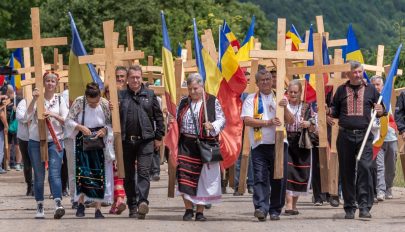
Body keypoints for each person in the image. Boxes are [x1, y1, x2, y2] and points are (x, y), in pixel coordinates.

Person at [327, 61, 384, 219]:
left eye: (360, 72)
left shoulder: (371, 89)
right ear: (348, 74)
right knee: (347, 171)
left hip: (365, 136)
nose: (358, 75)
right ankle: (350, 207)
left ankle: (364, 206)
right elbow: (335, 110)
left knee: (365, 168)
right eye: (355, 72)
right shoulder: (340, 90)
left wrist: (380, 110)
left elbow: (381, 109)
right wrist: (327, 111)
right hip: (345, 136)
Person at [241, 69, 293, 221]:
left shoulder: (280, 97)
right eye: (262, 80)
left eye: (268, 79)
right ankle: (261, 208)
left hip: (279, 143)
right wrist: (268, 122)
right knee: (260, 177)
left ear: (272, 81)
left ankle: (275, 209)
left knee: (279, 178)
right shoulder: (251, 99)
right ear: (256, 83)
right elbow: (247, 121)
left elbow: (290, 120)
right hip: (259, 144)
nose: (265, 82)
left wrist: (283, 107)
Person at [176, 73, 225, 221]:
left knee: (203, 179)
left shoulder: (212, 101)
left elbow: (222, 119)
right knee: (184, 177)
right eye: (190, 89)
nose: (192, 92)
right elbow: (175, 119)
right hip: (185, 144)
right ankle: (188, 210)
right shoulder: (184, 102)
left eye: (195, 88)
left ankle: (200, 211)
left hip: (204, 145)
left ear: (202, 86)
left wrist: (213, 125)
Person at [118, 65, 164, 219]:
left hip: (146, 140)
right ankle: (132, 205)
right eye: (132, 77)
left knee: (144, 172)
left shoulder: (150, 95)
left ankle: (142, 202)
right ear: (127, 79)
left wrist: (158, 137)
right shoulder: (121, 96)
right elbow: (113, 119)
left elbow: (159, 117)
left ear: (141, 78)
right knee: (129, 175)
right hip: (126, 141)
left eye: (138, 77)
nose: (135, 80)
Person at [65, 82, 114, 219]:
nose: (93, 105)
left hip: (99, 140)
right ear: (86, 97)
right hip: (83, 139)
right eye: (91, 103)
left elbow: (111, 122)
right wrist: (80, 127)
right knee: (83, 173)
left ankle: (98, 209)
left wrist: (105, 129)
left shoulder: (104, 103)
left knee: (99, 173)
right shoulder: (79, 102)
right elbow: (68, 120)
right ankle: (81, 204)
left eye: (95, 102)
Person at [25, 72, 69, 219]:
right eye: (47, 81)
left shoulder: (60, 100)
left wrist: (53, 114)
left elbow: (66, 120)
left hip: (54, 140)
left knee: (55, 173)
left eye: (53, 81)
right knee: (38, 175)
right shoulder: (37, 97)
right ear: (43, 83)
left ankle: (58, 203)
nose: (50, 83)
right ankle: (40, 205)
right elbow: (26, 117)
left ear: (56, 84)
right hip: (36, 141)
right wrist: (34, 100)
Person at [284, 80, 315, 215]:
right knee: (288, 171)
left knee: (300, 173)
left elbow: (314, 124)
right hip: (286, 141)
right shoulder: (283, 105)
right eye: (290, 92)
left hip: (302, 142)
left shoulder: (306, 107)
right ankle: (288, 204)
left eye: (295, 92)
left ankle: (294, 204)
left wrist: (308, 123)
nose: (292, 94)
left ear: (300, 93)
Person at [370, 76, 398, 201]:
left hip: (391, 137)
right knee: (379, 165)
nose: (376, 87)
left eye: (378, 84)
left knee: (391, 166)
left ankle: (388, 187)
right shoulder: (369, 99)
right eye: (374, 85)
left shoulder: (388, 98)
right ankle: (380, 190)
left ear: (382, 86)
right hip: (377, 138)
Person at [16, 97, 33, 195]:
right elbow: (20, 116)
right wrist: (32, 117)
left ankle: (37, 186)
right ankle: (30, 185)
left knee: (38, 163)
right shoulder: (23, 102)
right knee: (27, 163)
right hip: (24, 137)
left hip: (38, 137)